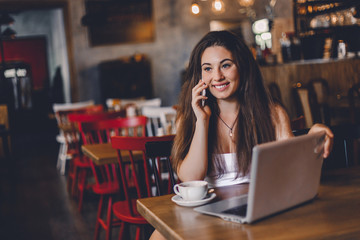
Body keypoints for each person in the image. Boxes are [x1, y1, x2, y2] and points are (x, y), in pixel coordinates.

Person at [150, 30, 333, 240]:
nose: (217, 76)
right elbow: (191, 178)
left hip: (259, 213)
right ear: (200, 77)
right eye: (207, 69)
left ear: (242, 67)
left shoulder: (272, 113)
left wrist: (313, 138)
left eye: (226, 65)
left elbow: (292, 171)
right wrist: (202, 120)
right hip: (205, 214)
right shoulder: (189, 117)